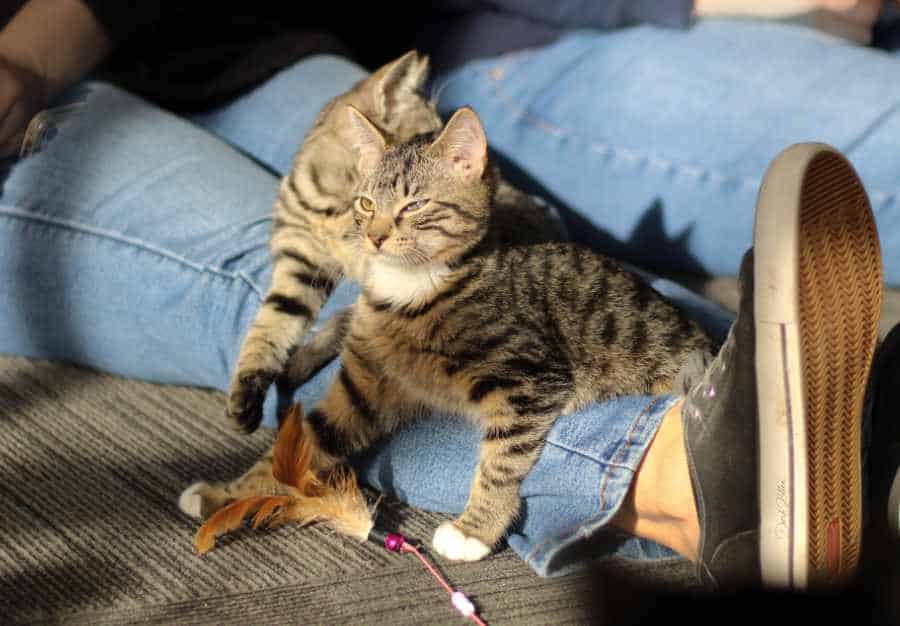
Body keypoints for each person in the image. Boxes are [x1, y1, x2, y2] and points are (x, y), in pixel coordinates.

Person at [0, 0, 898, 589]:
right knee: (294, 297)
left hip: (239, 44)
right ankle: (691, 475)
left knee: (507, 251)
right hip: (26, 109)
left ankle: (795, 400)